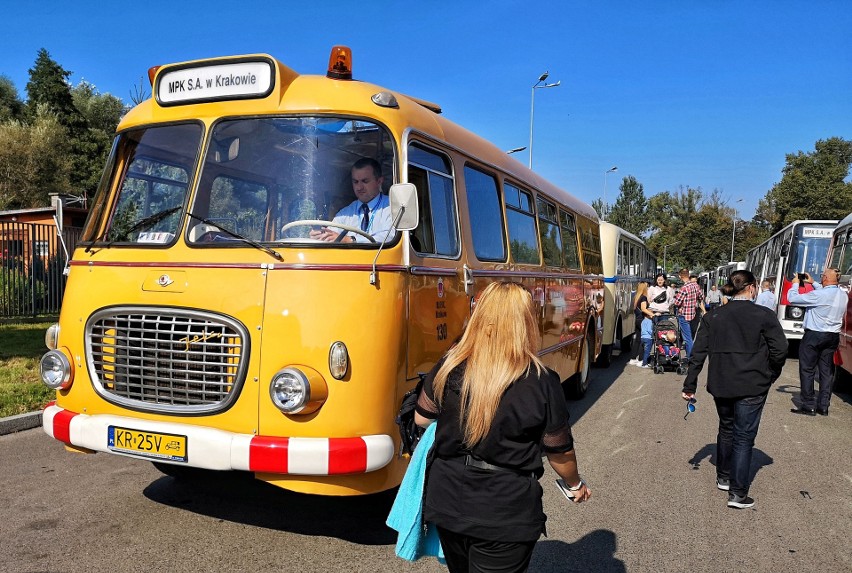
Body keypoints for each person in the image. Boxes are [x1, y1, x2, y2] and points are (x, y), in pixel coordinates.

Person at [414, 281, 591, 572]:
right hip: (505, 512)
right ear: (525, 322)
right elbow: (559, 452)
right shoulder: (540, 380)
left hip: (448, 501)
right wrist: (575, 484)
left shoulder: (449, 365)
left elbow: (422, 418)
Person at [682, 270, 787, 509]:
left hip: (721, 384)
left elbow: (697, 354)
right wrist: (771, 374)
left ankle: (724, 476)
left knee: (727, 428)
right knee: (743, 437)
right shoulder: (764, 315)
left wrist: (690, 384)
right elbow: (780, 350)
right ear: (751, 288)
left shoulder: (714, 317)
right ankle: (738, 493)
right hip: (753, 384)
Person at [787, 268, 846, 416]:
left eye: (822, 276)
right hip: (833, 336)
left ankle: (808, 405)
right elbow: (828, 292)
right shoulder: (843, 295)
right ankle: (823, 406)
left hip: (814, 335)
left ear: (825, 278)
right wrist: (813, 283)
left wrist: (795, 284)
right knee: (826, 371)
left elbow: (793, 298)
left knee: (807, 369)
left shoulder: (819, 295)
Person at [309, 158, 395, 243]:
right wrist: (321, 235)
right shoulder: (345, 213)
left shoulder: (392, 207)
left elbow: (390, 237)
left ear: (379, 181)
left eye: (365, 181)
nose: (359, 187)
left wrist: (350, 240)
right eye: (355, 182)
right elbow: (332, 234)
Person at [671, 268, 704, 358]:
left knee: (687, 338)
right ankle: (686, 354)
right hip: (693, 314)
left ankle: (690, 357)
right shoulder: (696, 286)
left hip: (684, 315)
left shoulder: (684, 288)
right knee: (690, 337)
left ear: (680, 276)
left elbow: (677, 302)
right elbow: (701, 297)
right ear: (688, 275)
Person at [629, 281, 655, 368]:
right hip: (643, 320)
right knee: (645, 340)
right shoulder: (643, 297)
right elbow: (643, 309)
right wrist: (652, 314)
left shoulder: (636, 297)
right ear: (644, 288)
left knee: (637, 340)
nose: (648, 289)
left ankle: (633, 359)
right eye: (647, 287)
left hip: (637, 319)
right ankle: (641, 360)